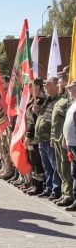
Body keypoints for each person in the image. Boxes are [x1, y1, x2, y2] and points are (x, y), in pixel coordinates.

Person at [35, 77, 61, 201]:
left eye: (49, 85)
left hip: (50, 139)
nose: (46, 88)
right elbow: (44, 118)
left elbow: (55, 122)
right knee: (47, 167)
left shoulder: (59, 100)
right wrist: (36, 112)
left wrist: (52, 137)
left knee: (55, 166)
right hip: (41, 138)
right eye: (45, 86)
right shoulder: (47, 100)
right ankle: (49, 188)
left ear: (57, 86)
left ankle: (56, 190)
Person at [51, 67, 74, 207]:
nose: (58, 84)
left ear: (65, 83)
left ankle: (69, 195)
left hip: (66, 139)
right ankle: (65, 193)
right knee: (60, 167)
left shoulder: (69, 100)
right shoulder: (60, 99)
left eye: (59, 82)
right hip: (58, 138)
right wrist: (53, 137)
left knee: (66, 167)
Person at [24, 78, 45, 196]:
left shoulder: (40, 101)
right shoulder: (32, 100)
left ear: (37, 87)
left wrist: (28, 135)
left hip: (35, 136)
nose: (28, 88)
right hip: (30, 135)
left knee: (37, 161)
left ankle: (39, 186)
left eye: (30, 86)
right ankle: (34, 183)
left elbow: (33, 120)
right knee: (32, 159)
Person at [63, 80, 76, 211]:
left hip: (75, 143)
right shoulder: (72, 104)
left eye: (71, 88)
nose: (69, 90)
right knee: (74, 173)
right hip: (71, 143)